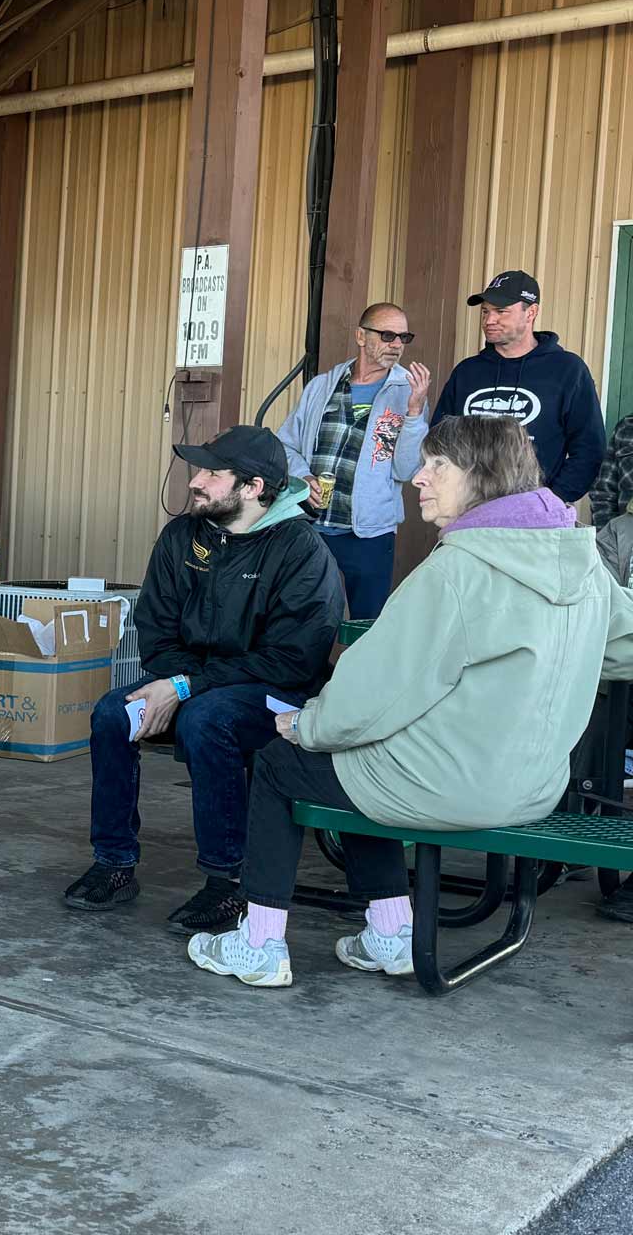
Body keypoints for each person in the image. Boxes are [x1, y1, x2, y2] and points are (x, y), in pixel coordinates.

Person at [187, 416, 631, 987]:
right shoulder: (583, 566)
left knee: (283, 763)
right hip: (535, 789)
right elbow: (620, 643)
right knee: (364, 760)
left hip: (452, 788)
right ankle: (391, 932)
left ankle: (259, 945)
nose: (416, 478)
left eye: (435, 465)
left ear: (479, 476)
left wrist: (308, 723)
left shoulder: (457, 569)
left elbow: (370, 696)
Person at [65, 424, 345, 933]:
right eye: (199, 469)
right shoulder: (182, 536)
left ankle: (228, 884)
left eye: (214, 473)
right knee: (112, 714)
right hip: (189, 686)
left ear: (254, 487)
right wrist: (178, 683)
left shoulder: (302, 550)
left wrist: (187, 687)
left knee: (206, 719)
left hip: (279, 700)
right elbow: (155, 630)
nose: (197, 481)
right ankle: (114, 863)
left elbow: (292, 662)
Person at [273, 301, 430, 617]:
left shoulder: (406, 393)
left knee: (366, 624)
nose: (397, 345)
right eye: (387, 335)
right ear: (361, 336)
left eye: (403, 337)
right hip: (311, 525)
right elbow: (285, 446)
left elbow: (405, 468)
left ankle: (359, 669)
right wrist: (303, 477)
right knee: (298, 619)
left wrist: (414, 413)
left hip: (368, 533)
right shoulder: (321, 387)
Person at [430, 269, 603, 508]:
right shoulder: (467, 372)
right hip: (470, 513)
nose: (489, 320)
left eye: (501, 311)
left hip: (536, 518)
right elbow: (440, 441)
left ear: (531, 312)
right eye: (485, 311)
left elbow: (589, 449)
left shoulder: (567, 370)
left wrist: (549, 501)